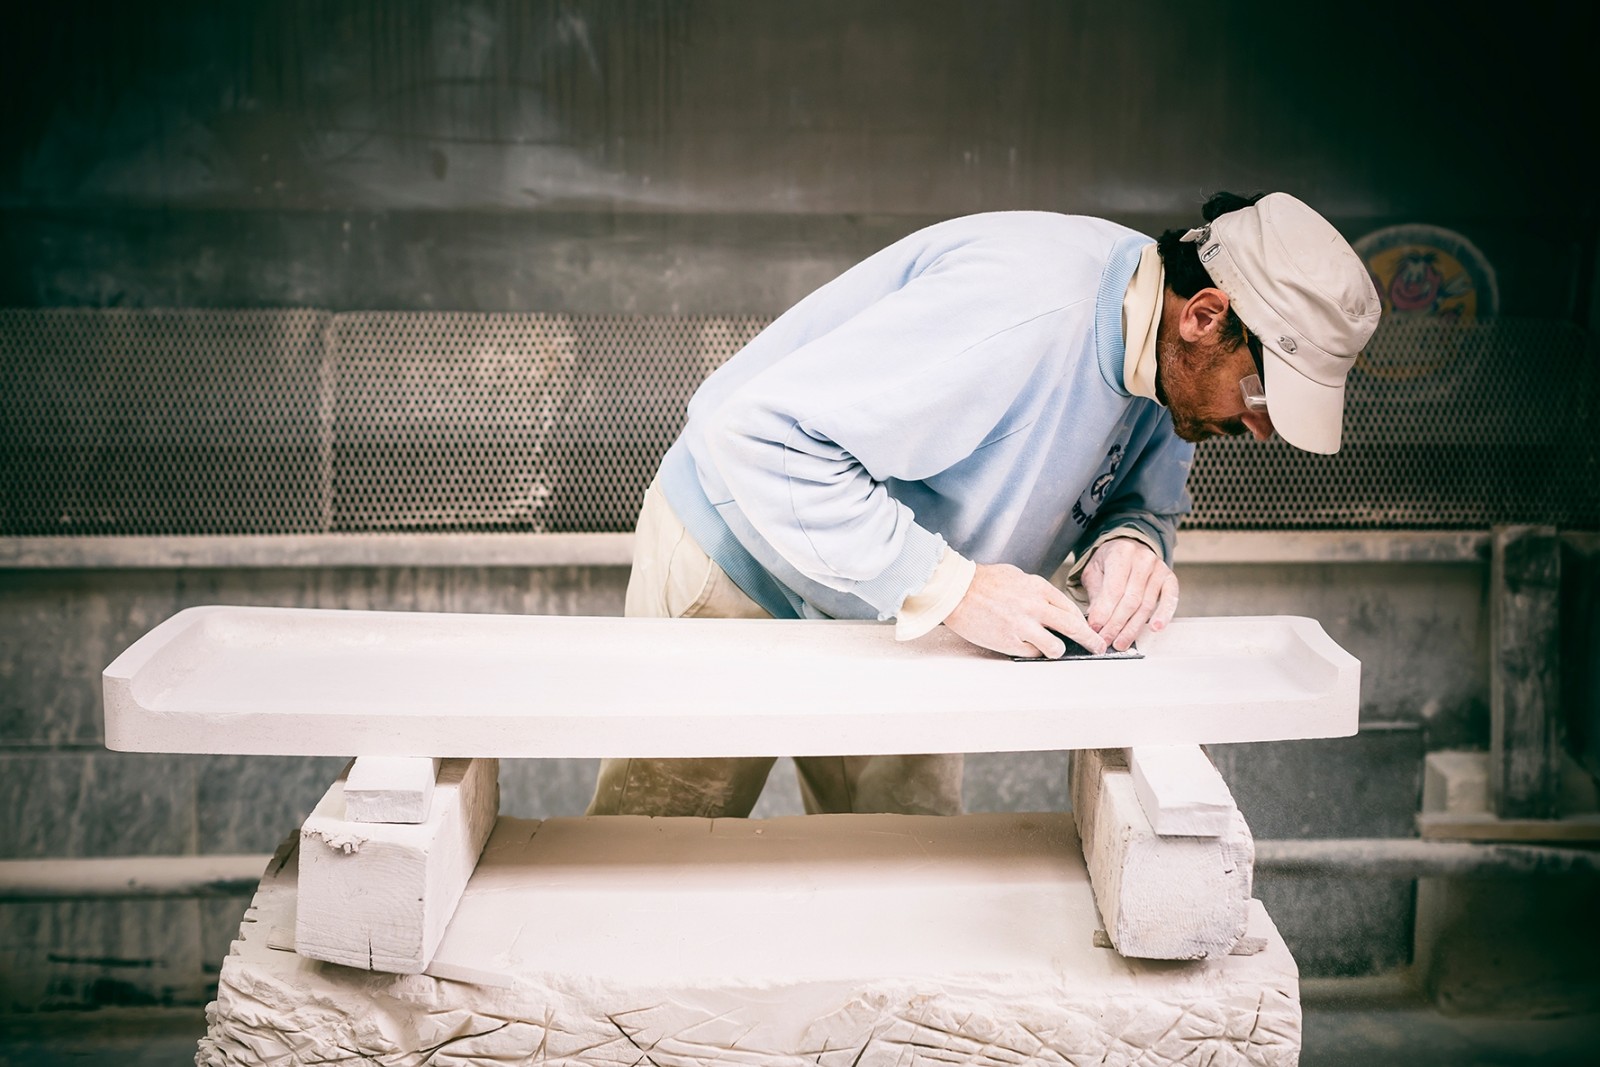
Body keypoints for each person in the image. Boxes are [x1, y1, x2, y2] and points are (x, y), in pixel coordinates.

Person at [587, 191, 1381, 819]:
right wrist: (955, 588)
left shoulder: (1171, 361)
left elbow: (1140, 493)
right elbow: (763, 439)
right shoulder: (1023, 311)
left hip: (907, 605)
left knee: (907, 877)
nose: (1260, 428)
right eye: (1261, 397)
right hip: (741, 562)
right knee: (657, 853)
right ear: (1205, 315)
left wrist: (1133, 538)